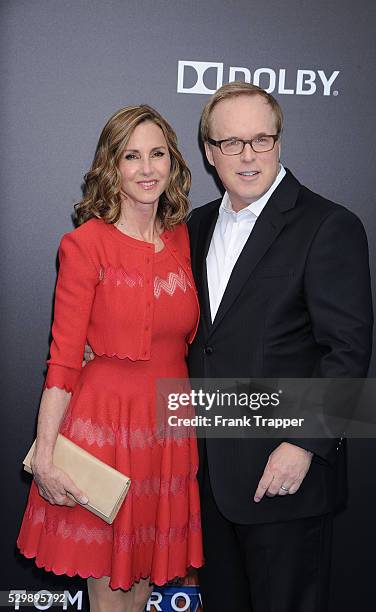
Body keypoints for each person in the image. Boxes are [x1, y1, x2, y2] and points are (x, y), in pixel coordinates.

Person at [187, 82, 373, 612]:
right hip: (208, 478)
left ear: (280, 142)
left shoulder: (328, 225)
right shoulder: (195, 226)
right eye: (232, 143)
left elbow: (348, 351)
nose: (248, 156)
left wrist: (304, 445)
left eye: (261, 140)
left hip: (284, 476)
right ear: (209, 151)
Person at [17, 105, 203, 612]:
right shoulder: (84, 245)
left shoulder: (186, 240)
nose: (147, 168)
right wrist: (47, 457)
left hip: (168, 430)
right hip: (106, 432)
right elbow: (62, 363)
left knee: (143, 585)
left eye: (158, 154)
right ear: (112, 166)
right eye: (132, 156)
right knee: (110, 593)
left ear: (173, 162)